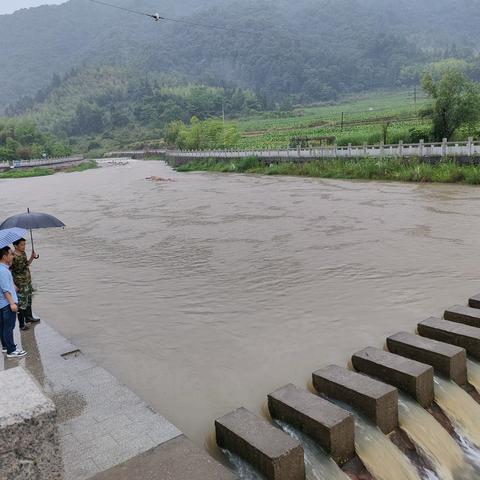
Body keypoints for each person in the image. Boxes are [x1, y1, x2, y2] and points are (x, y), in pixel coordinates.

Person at [0, 246, 27, 358]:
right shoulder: (4, 271)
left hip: (1, 304)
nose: (12, 256)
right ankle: (12, 350)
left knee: (2, 326)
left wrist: (13, 286)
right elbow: (6, 290)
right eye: (10, 254)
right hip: (6, 304)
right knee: (8, 327)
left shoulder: (2, 269)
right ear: (4, 256)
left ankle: (5, 347)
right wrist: (12, 303)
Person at [11, 238, 40, 330]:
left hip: (27, 281)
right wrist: (13, 284)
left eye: (24, 244)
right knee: (21, 304)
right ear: (16, 246)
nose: (24, 246)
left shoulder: (23, 253)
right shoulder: (13, 256)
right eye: (22, 245)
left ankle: (29, 317)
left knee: (28, 301)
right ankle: (22, 324)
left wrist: (32, 257)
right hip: (20, 283)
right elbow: (9, 270)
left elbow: (26, 265)